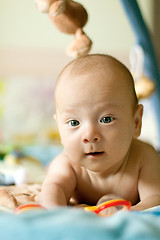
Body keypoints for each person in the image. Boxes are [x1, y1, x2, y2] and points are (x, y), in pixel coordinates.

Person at [38, 54, 160, 211]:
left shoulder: (143, 157)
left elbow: (155, 200)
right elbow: (52, 193)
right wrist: (57, 211)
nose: (89, 136)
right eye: (74, 123)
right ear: (60, 130)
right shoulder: (67, 165)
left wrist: (124, 213)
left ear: (136, 123)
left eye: (106, 119)